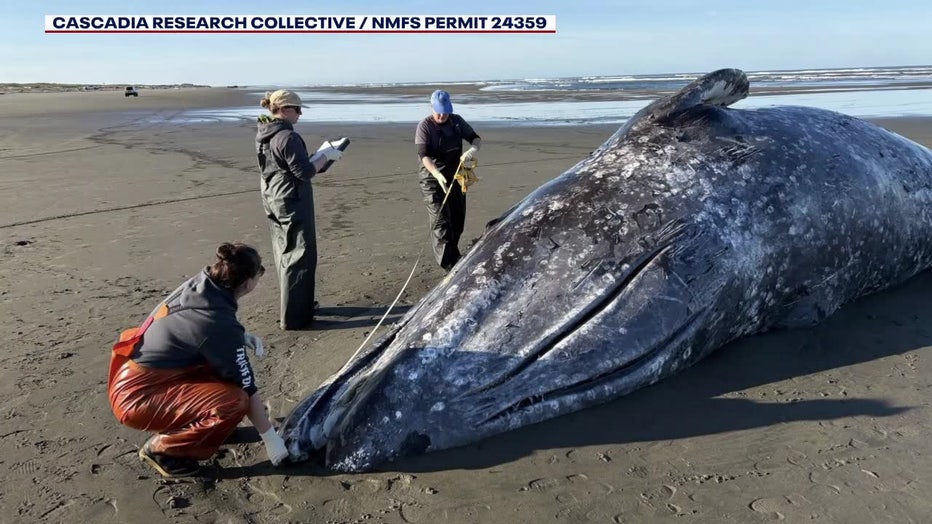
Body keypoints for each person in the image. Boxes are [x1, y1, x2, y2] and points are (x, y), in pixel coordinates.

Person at [107, 242, 288, 478]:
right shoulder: (216, 322)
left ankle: (207, 427)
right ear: (247, 283)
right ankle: (164, 451)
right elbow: (248, 387)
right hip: (137, 396)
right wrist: (271, 439)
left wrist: (238, 337)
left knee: (223, 372)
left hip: (140, 374)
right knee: (235, 400)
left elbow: (191, 328)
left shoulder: (203, 285)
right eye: (259, 273)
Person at [255, 89, 345, 330]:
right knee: (300, 255)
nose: (300, 113)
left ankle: (299, 306)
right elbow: (304, 172)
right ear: (284, 109)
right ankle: (295, 316)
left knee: (285, 253)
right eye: (297, 108)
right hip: (291, 200)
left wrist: (316, 158)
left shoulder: (265, 132)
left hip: (273, 196)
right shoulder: (286, 136)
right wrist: (325, 157)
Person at [415, 89, 482, 271]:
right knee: (442, 223)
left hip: (455, 177)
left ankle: (455, 256)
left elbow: (475, 139)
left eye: (445, 111)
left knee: (457, 219)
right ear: (431, 108)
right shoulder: (425, 126)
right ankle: (450, 266)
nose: (442, 115)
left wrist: (472, 149)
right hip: (433, 179)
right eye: (439, 111)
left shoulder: (457, 121)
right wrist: (436, 173)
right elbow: (423, 155)